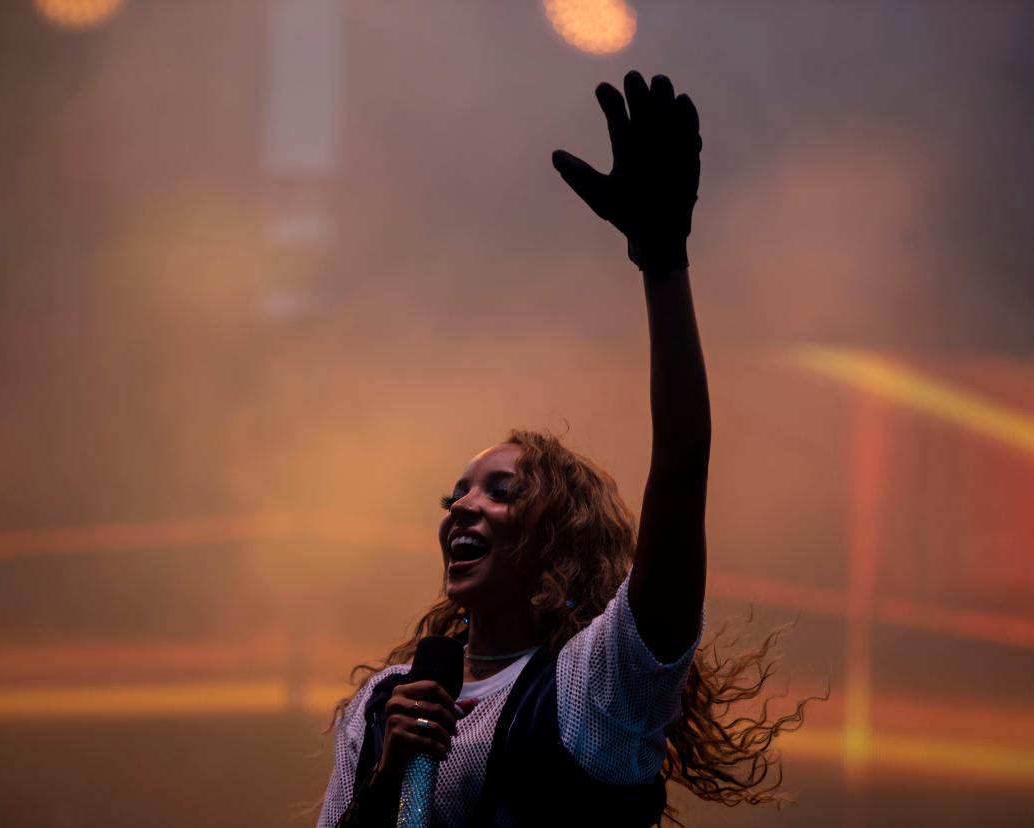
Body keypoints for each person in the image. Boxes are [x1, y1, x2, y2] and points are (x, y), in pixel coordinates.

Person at [317, 71, 809, 828]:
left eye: (500, 491)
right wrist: (381, 788)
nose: (461, 507)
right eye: (458, 492)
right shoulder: (384, 702)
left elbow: (681, 467)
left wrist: (663, 264)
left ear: (559, 537)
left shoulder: (597, 686)